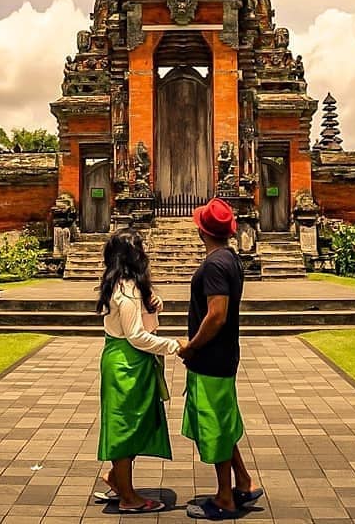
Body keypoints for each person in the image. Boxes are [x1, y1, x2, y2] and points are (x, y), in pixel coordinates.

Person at [179, 198, 264, 520]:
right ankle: (241, 481)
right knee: (223, 420)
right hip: (224, 355)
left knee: (213, 424)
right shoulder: (230, 257)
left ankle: (225, 498)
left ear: (202, 229)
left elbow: (216, 316)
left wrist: (192, 346)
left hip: (211, 357)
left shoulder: (215, 265)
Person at [95, 228, 179, 514]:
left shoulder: (123, 285)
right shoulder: (127, 291)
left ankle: (116, 478)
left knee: (128, 422)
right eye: (141, 250)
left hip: (126, 360)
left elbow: (145, 311)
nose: (146, 255)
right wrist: (174, 345)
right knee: (125, 426)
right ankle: (129, 498)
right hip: (128, 362)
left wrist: (156, 302)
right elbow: (136, 336)